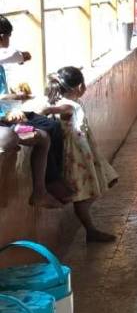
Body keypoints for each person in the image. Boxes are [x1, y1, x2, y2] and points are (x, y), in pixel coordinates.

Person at [33, 67, 119, 242]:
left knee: (87, 192)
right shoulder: (69, 106)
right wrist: (42, 113)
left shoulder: (64, 102)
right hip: (76, 155)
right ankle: (90, 230)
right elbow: (50, 110)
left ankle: (90, 229)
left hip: (80, 153)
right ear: (79, 86)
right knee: (83, 194)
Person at [0, 14, 67, 208]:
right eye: (8, 37)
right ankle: (45, 188)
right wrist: (13, 102)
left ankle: (52, 182)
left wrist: (14, 98)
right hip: (5, 118)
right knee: (42, 136)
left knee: (52, 126)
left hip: (8, 114)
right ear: (2, 36)